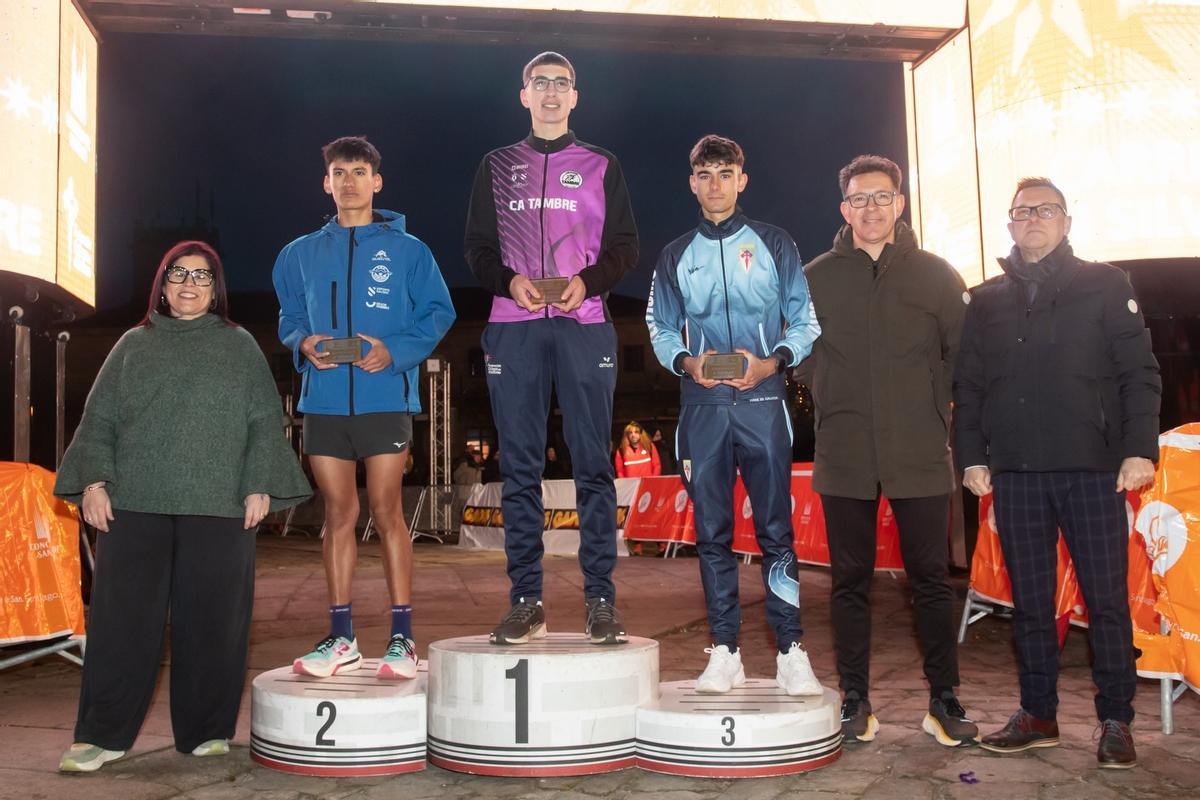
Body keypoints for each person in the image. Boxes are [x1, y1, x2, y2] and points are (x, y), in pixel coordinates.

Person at [53, 241, 311, 773]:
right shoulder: (131, 344)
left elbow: (265, 420)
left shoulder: (239, 345)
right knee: (121, 623)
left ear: (216, 289)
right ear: (162, 286)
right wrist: (94, 482)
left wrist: (260, 481)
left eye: (201, 276)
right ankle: (100, 735)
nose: (189, 285)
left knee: (215, 622)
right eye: (178, 275)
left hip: (219, 505)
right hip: (134, 505)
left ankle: (206, 730)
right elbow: (98, 420)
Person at [954, 177, 1160, 769]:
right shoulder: (986, 299)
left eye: (1046, 210)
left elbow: (1138, 374)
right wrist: (972, 456)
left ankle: (1116, 719)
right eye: (1022, 212)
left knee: (1107, 601)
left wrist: (1138, 448)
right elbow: (967, 385)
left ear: (1066, 221)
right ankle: (1037, 713)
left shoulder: (1105, 284)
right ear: (1009, 225)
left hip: (1095, 470)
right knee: (1032, 604)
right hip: (1015, 475)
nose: (1034, 219)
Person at [464, 51, 639, 645]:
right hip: (513, 324)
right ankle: (525, 599)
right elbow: (477, 250)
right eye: (540, 83)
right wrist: (506, 282)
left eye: (561, 83)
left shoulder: (600, 164)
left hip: (584, 322)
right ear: (523, 94)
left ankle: (599, 600)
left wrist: (587, 283)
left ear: (575, 95)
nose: (550, 93)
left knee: (592, 463)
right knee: (518, 468)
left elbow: (625, 247)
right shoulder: (496, 164)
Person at [801, 154, 976, 747]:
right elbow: (796, 352)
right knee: (849, 581)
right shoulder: (815, 275)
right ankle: (855, 700)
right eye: (859, 199)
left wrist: (931, 405)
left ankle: (943, 700)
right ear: (843, 208)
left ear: (899, 205)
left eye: (882, 197)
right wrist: (829, 386)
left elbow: (961, 357)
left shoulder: (935, 275)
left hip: (920, 450)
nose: (871, 208)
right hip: (845, 449)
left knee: (930, 578)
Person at [273, 136, 455, 679]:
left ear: (377, 181)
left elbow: (437, 313)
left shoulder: (410, 252)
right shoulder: (298, 253)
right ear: (326, 182)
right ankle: (341, 637)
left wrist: (393, 352)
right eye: (338, 171)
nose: (349, 180)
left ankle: (402, 638)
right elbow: (288, 317)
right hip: (324, 402)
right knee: (337, 516)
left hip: (384, 399)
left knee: (386, 509)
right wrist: (302, 342)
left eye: (359, 171)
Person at [647, 134, 822, 695]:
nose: (715, 184)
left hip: (764, 405)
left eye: (726, 173)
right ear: (692, 182)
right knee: (713, 536)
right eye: (705, 174)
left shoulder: (775, 243)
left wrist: (772, 364)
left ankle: (791, 648)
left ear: (742, 179)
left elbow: (806, 323)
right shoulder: (675, 254)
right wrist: (686, 362)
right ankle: (724, 649)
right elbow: (659, 327)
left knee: (776, 533)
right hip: (702, 409)